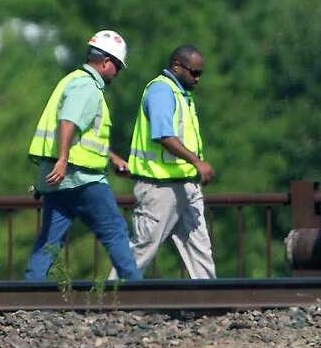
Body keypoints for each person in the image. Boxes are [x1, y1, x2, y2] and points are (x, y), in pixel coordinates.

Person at [25, 31, 140, 282]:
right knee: (115, 231)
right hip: (81, 177)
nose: (117, 73)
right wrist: (64, 160)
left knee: (50, 241)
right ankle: (136, 290)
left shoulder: (72, 80)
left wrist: (111, 157)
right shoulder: (87, 86)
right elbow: (69, 122)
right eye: (118, 67)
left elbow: (82, 133)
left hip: (56, 179)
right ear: (107, 62)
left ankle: (28, 293)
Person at [125, 45, 216, 279]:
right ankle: (112, 299)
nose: (198, 79)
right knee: (142, 249)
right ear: (177, 66)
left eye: (200, 74)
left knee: (200, 250)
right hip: (160, 187)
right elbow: (163, 135)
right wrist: (197, 162)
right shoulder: (161, 92)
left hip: (186, 185)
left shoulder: (182, 95)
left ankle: (211, 302)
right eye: (194, 73)